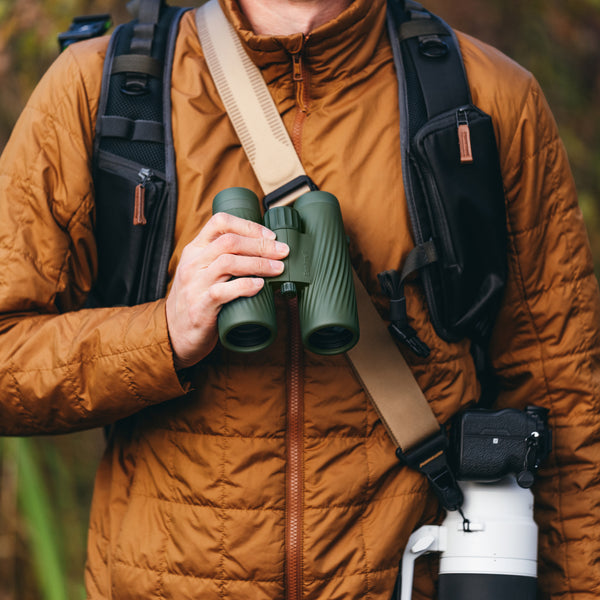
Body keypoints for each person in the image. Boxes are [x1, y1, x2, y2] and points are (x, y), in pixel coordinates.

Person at [0, 0, 599, 598]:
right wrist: (163, 334)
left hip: (412, 572)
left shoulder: (484, 96)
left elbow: (565, 402)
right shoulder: (104, 88)